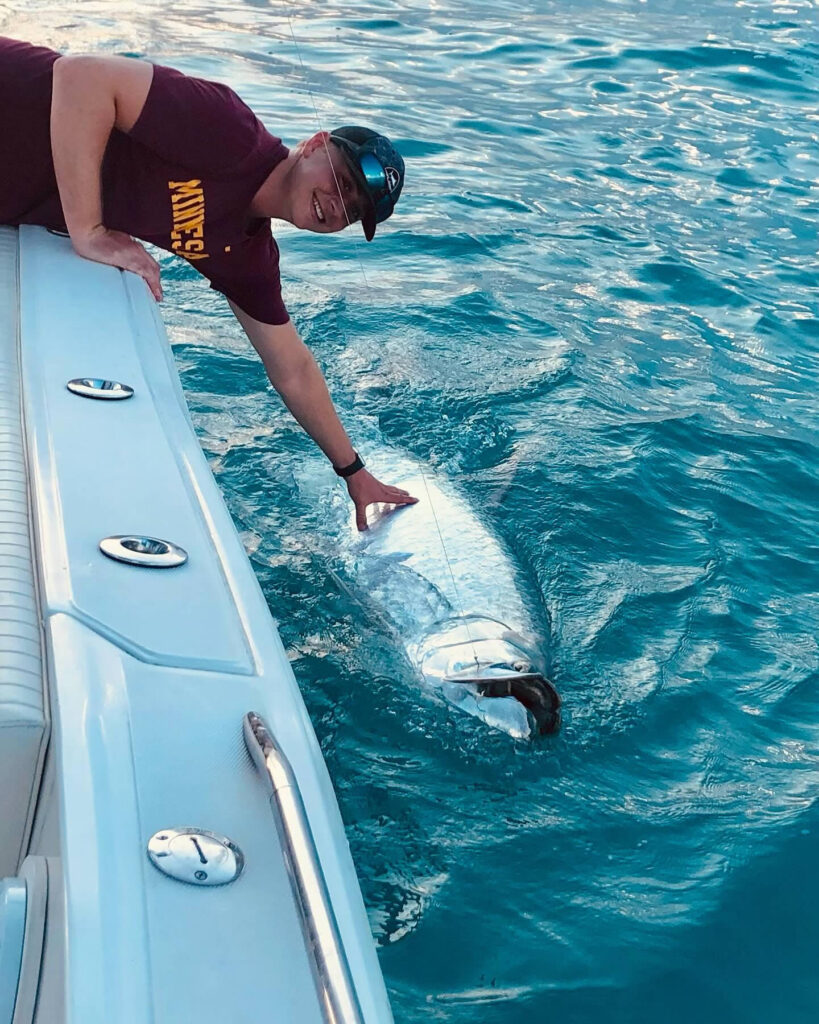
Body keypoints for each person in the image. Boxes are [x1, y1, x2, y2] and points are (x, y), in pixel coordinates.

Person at [0, 35, 418, 529]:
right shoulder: (231, 134)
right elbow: (82, 76)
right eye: (343, 183)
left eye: (354, 212)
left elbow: (292, 368)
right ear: (314, 145)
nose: (338, 205)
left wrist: (353, 472)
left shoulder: (245, 253)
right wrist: (88, 231)